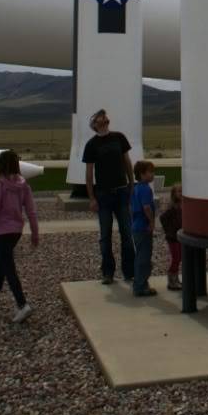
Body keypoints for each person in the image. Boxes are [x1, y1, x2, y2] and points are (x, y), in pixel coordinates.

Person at [82, 108, 135, 284]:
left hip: (121, 191)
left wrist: (131, 185)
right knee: (105, 235)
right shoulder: (91, 145)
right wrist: (91, 198)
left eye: (104, 116)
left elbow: (126, 161)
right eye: (99, 116)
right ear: (95, 124)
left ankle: (130, 271)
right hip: (103, 194)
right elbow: (89, 173)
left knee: (126, 233)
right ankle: (108, 272)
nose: (103, 118)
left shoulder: (119, 138)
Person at [0, 149, 39, 322]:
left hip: (1, 231)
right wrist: (34, 233)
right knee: (1, 265)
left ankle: (22, 305)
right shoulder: (24, 185)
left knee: (8, 268)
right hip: (16, 231)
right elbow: (31, 211)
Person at [130, 160, 157, 297]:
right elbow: (146, 207)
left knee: (141, 256)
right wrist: (152, 222)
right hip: (143, 227)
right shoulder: (146, 189)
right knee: (144, 258)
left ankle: (141, 284)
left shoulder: (136, 188)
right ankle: (140, 287)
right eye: (150, 172)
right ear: (142, 174)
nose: (152, 175)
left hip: (136, 227)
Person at [159, 182, 182, 291]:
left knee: (179, 258)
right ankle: (171, 280)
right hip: (172, 237)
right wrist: (168, 230)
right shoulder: (172, 207)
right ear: (174, 193)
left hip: (179, 236)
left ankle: (175, 278)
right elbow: (162, 218)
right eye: (179, 191)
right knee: (176, 258)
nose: (181, 193)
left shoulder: (182, 205)